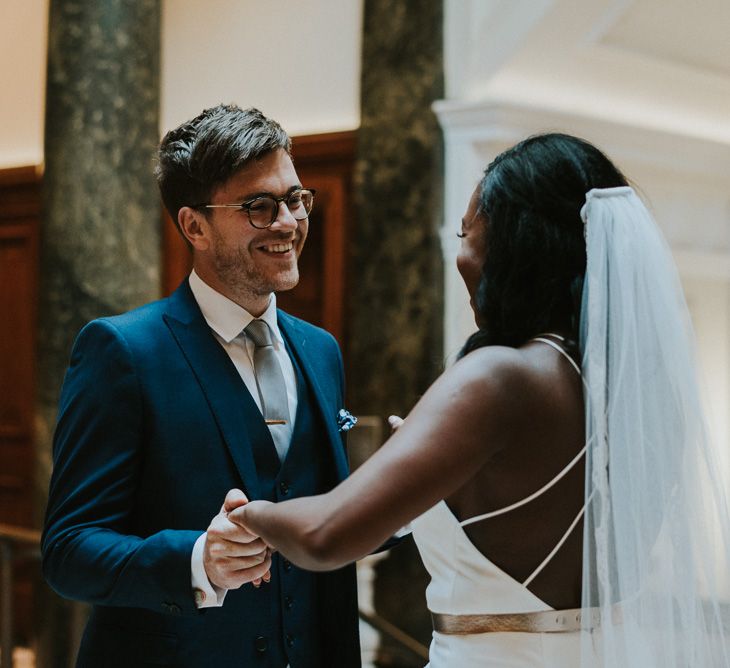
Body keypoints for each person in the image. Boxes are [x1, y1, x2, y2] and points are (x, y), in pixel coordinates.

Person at [230, 133, 730, 667]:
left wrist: (249, 513)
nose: (461, 255)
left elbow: (326, 535)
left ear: (514, 243)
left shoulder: (500, 378)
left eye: (465, 233)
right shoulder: (640, 389)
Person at [42, 105, 362, 667]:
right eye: (259, 207)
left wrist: (414, 499)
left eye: (295, 199)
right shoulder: (122, 351)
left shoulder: (321, 351)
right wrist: (198, 560)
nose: (287, 222)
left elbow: (321, 519)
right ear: (195, 226)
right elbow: (70, 551)